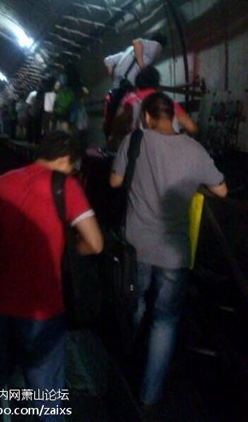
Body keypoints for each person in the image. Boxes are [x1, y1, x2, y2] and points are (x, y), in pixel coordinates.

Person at [0, 131, 103, 421]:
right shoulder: (66, 187)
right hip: (44, 311)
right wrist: (69, 246)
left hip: (0, 307)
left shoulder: (0, 184)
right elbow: (95, 243)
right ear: (66, 159)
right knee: (46, 400)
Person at [109, 92, 227, 409]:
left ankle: (126, 366)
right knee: (165, 321)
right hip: (174, 255)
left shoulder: (134, 141)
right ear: (174, 116)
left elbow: (115, 182)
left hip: (136, 249)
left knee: (134, 309)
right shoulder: (195, 150)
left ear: (147, 117)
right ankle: (149, 394)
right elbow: (221, 189)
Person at [109, 66, 198, 149]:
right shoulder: (168, 103)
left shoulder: (130, 100)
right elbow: (192, 128)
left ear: (137, 85)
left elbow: (116, 126)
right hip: (168, 154)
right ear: (157, 85)